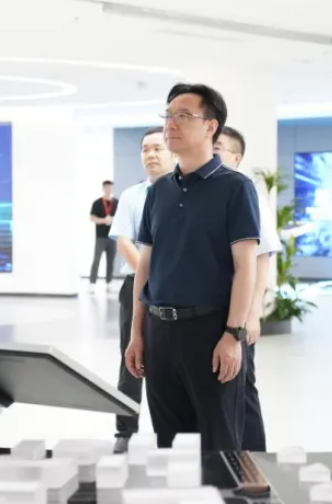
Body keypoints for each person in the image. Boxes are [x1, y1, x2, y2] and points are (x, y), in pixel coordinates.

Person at [125, 83, 261, 451]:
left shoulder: (236, 188)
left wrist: (232, 335)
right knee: (170, 446)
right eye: (168, 116)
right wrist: (137, 333)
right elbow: (146, 266)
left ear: (211, 126)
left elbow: (245, 267)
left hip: (211, 331)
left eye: (183, 116)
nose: (171, 124)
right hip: (160, 332)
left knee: (219, 446)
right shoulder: (158, 192)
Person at [214, 126, 282, 451]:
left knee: (243, 389)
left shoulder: (248, 193)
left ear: (236, 158)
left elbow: (262, 258)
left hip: (237, 313)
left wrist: (252, 314)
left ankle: (255, 462)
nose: (210, 153)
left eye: (218, 149)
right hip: (208, 312)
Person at [108, 126, 174, 453]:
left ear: (172, 151)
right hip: (136, 286)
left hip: (176, 291)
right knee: (131, 359)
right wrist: (151, 278)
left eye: (157, 148)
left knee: (172, 363)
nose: (150, 154)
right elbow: (124, 241)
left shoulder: (186, 194)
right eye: (145, 149)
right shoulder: (132, 196)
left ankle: (173, 434)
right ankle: (125, 430)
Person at [89, 180, 118, 292]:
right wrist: (104, 220)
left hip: (113, 237)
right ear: (103, 189)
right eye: (106, 188)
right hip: (100, 237)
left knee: (111, 261)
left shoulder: (116, 202)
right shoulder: (97, 203)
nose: (108, 190)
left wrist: (113, 220)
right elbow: (92, 218)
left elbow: (121, 217)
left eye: (110, 188)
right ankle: (92, 283)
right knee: (96, 260)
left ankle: (109, 282)